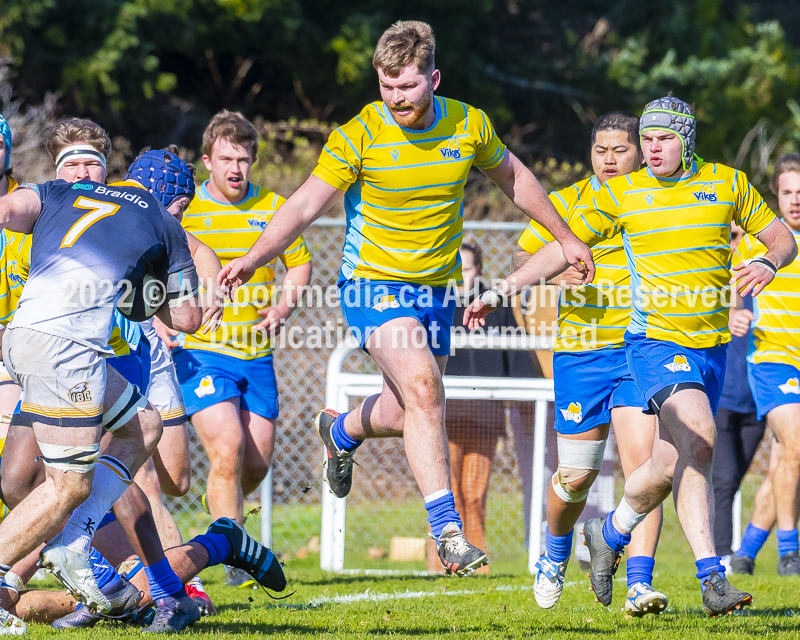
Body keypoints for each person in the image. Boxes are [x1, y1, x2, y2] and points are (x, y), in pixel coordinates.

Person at [219, 20, 594, 577]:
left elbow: (515, 181)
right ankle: (448, 532)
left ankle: (341, 429)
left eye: (408, 87)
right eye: (386, 86)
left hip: (437, 291)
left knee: (408, 409)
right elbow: (302, 207)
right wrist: (254, 257)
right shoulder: (360, 133)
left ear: (433, 79)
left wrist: (565, 236)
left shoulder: (469, 125)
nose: (396, 98)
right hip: (372, 285)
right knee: (425, 387)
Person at [465, 95, 798, 615]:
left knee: (673, 460)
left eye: (662, 138)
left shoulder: (727, 184)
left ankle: (609, 533)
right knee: (693, 443)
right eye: (648, 139)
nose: (653, 148)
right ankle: (711, 577)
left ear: (686, 138)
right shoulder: (622, 194)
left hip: (709, 348)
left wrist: (770, 261)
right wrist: (501, 289)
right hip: (652, 345)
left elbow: (781, 237)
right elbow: (561, 246)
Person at [0, 146, 203, 630]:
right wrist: (146, 294)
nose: (180, 217)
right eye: (183, 208)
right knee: (68, 485)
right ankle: (46, 550)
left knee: (143, 426)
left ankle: (75, 537)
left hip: (23, 336)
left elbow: (7, 211)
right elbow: (188, 318)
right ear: (172, 200)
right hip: (66, 349)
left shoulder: (62, 190)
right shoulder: (163, 220)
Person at [515, 112, 666, 615]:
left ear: (640, 154)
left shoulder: (660, 198)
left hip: (642, 350)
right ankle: (556, 554)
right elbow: (524, 262)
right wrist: (557, 280)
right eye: (600, 150)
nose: (608, 159)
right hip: (582, 354)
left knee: (642, 469)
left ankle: (639, 583)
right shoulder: (568, 202)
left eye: (619, 149)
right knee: (575, 477)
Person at [171, 110, 311, 588]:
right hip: (202, 352)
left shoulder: (274, 207)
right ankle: (232, 552)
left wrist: (283, 309)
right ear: (207, 160)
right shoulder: (186, 212)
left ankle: (229, 528)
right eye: (227, 158)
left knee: (255, 463)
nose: (236, 168)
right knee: (227, 449)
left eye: (245, 159)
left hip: (257, 355)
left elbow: (299, 267)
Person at [426, 242, 536, 574]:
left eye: (469, 268)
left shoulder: (495, 304)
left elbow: (516, 350)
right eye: (457, 268)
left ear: (480, 269)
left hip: (485, 413)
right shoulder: (437, 301)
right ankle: (440, 564)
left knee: (474, 494)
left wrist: (524, 396)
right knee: (446, 492)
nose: (463, 275)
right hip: (445, 414)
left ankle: (477, 565)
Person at [729, 153, 800, 576]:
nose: (796, 200)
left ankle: (746, 551)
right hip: (773, 360)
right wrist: (735, 312)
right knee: (796, 446)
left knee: (786, 459)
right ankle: (790, 551)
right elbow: (728, 290)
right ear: (776, 193)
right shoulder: (762, 241)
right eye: (789, 192)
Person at [711, 222, 766, 569]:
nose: (730, 241)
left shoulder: (763, 279)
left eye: (735, 235)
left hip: (759, 399)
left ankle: (742, 550)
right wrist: (726, 315)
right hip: (720, 398)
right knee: (724, 479)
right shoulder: (707, 278)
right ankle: (720, 556)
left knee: (738, 478)